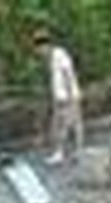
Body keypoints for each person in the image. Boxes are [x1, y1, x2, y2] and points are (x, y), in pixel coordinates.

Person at [35, 30, 82, 164]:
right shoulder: (50, 59)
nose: (39, 53)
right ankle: (62, 152)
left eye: (40, 49)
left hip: (68, 97)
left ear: (45, 45)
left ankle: (74, 152)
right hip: (59, 97)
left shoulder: (60, 55)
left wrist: (71, 97)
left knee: (71, 124)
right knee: (60, 125)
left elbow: (68, 75)